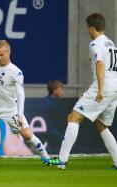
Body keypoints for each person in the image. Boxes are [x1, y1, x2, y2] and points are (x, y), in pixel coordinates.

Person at [43, 13, 117, 170]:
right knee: (101, 124)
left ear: (91, 28)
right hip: (115, 87)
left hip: (104, 86)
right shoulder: (111, 44)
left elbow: (100, 65)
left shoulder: (95, 44)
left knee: (73, 117)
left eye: (87, 28)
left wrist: (100, 90)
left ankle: (62, 160)